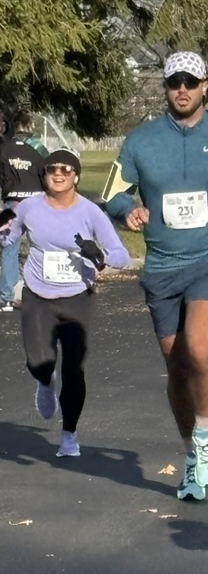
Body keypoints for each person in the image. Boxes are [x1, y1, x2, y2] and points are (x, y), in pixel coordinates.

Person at [105, 51, 208, 501]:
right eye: (174, 82)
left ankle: (205, 434)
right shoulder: (141, 140)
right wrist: (126, 210)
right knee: (177, 368)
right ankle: (193, 457)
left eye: (190, 82)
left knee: (198, 349)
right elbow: (113, 192)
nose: (182, 89)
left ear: (205, 87)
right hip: (162, 266)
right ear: (165, 87)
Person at [0, 150, 130, 456]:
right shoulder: (29, 207)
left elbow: (121, 256)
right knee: (38, 362)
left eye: (66, 169)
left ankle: (69, 433)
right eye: (52, 169)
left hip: (76, 299)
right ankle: (45, 381)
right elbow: (8, 238)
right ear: (44, 175)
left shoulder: (90, 212)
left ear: (76, 176)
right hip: (38, 296)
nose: (58, 174)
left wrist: (100, 255)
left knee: (74, 369)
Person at [0, 112, 47, 309]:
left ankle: (6, 296)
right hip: (36, 202)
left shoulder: (4, 149)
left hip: (13, 203)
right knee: (41, 246)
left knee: (9, 249)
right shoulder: (36, 149)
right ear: (27, 125)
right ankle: (42, 291)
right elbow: (46, 174)